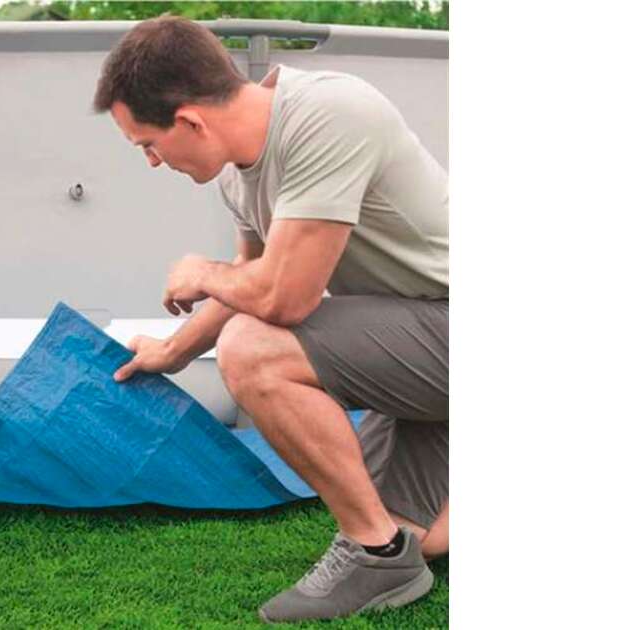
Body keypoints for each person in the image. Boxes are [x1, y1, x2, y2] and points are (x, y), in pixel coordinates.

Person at [92, 16, 449, 622]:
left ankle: (377, 555)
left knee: (253, 349)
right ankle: (397, 540)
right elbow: (252, 281)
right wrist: (172, 352)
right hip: (420, 346)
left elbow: (283, 301)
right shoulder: (238, 178)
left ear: (191, 121)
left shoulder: (331, 114)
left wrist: (203, 272)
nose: (151, 161)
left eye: (147, 143)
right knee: (426, 539)